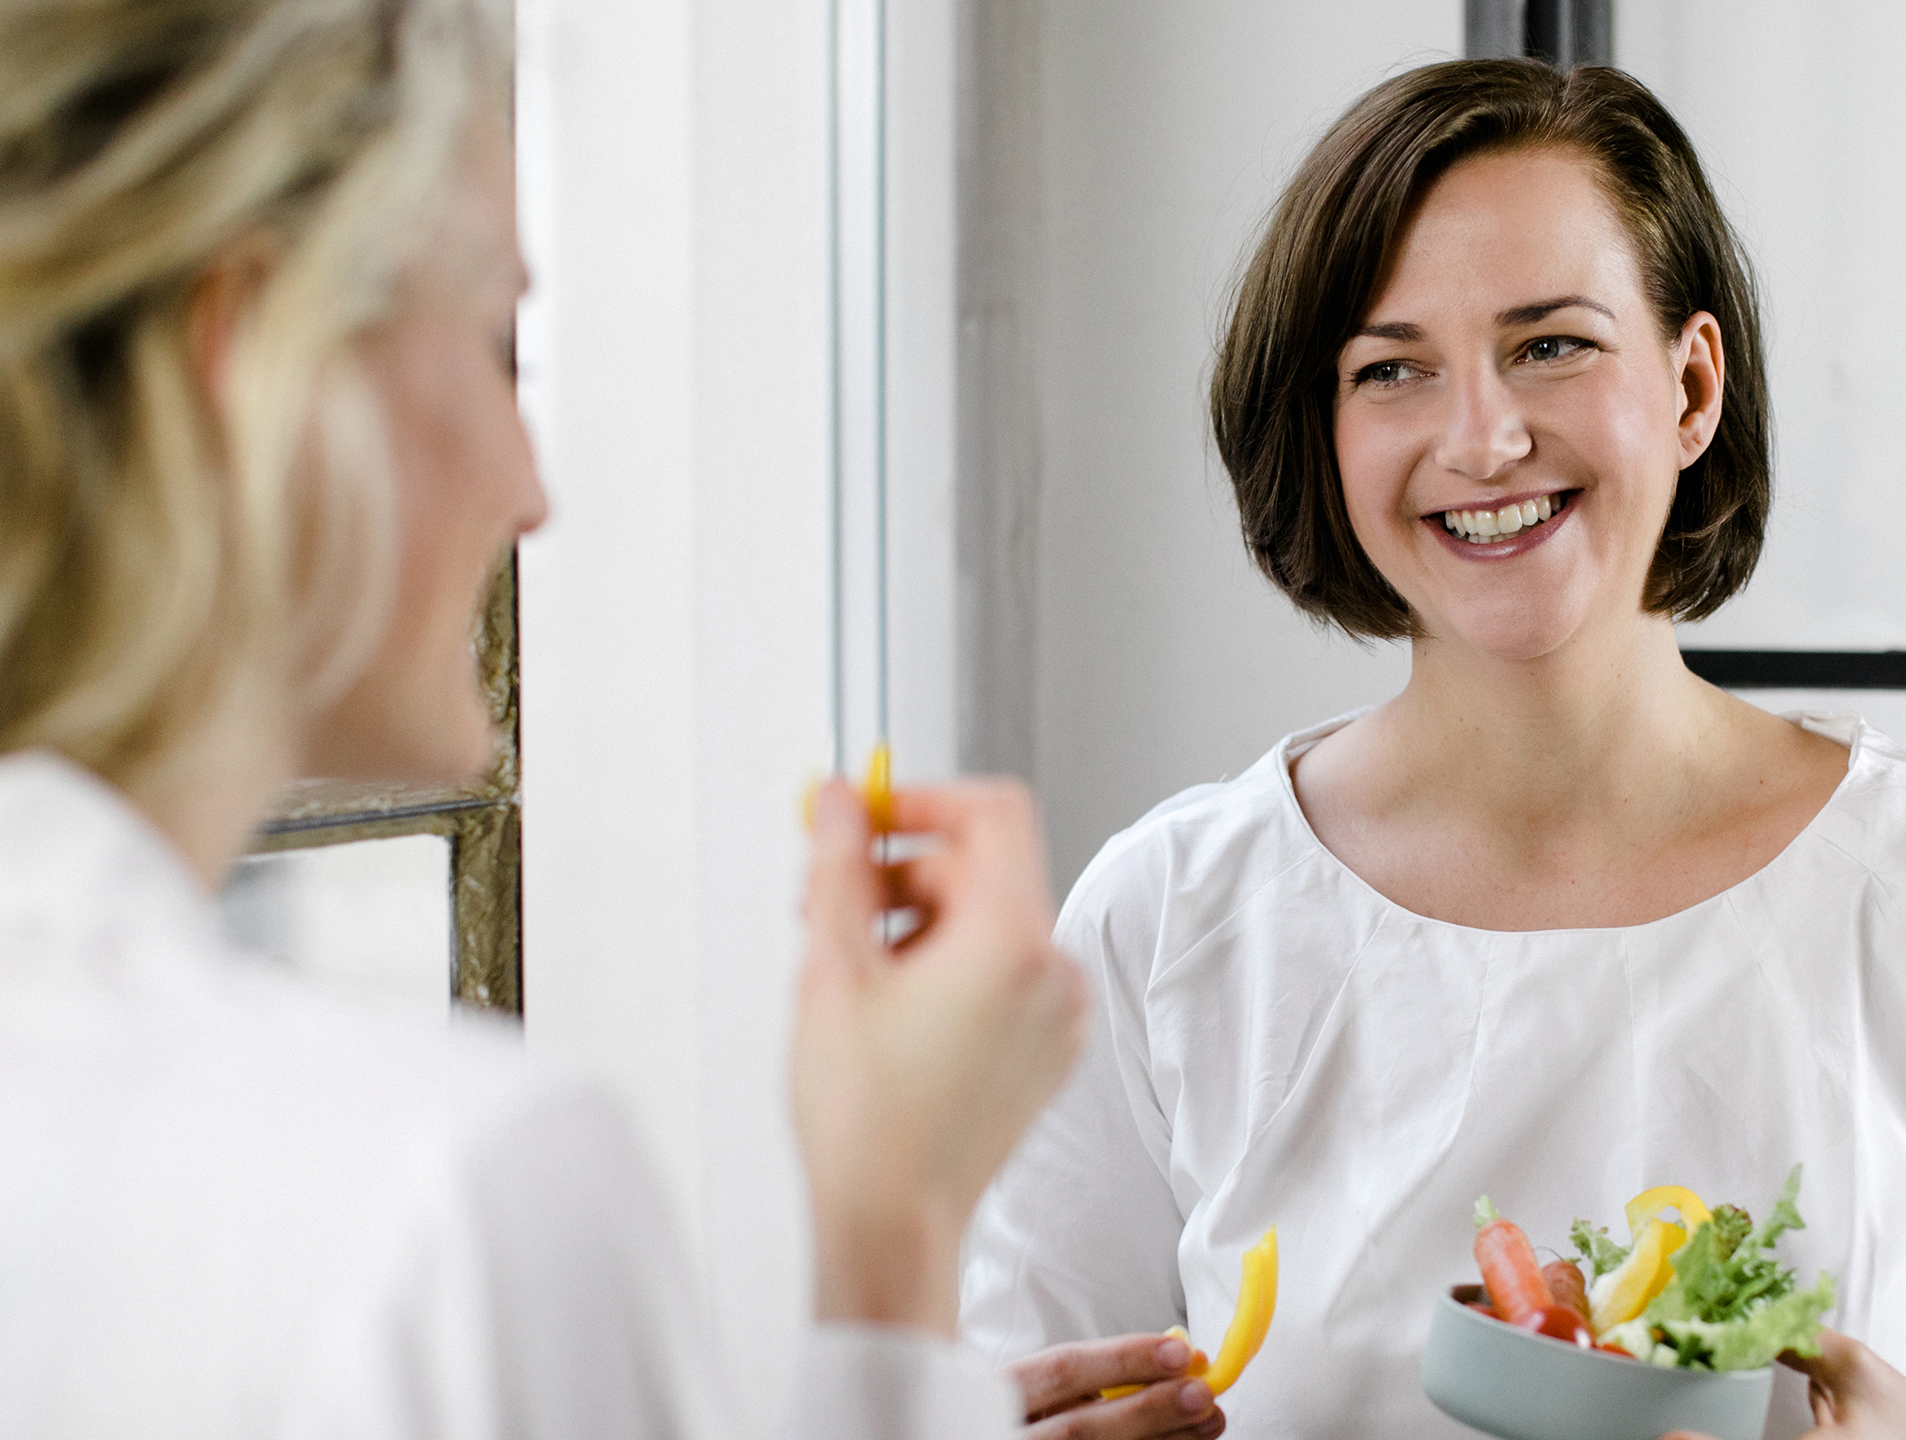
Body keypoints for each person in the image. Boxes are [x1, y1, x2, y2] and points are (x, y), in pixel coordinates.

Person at [960, 59, 1906, 1440]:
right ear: (1323, 431)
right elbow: (1029, 1393)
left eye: (1553, 344)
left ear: (1693, 386)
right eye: (1392, 368)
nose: (1485, 438)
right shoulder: (1166, 917)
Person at [0, 2, 1178, 1435]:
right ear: (254, 367)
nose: (531, 491)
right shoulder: (445, 1194)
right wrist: (896, 1228)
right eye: (498, 345)